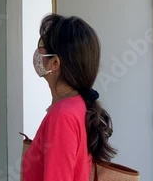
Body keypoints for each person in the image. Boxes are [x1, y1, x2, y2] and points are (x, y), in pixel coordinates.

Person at [22, 14, 117, 181]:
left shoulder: (61, 116)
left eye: (42, 44)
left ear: (55, 63)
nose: (38, 51)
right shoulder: (78, 105)